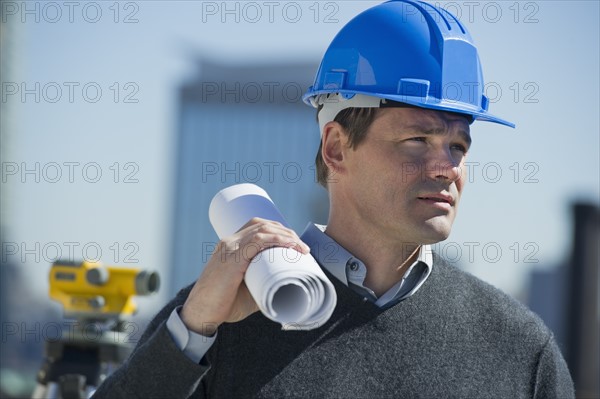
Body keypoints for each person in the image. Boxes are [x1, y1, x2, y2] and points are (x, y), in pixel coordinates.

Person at [93, 1, 574, 397]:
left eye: (458, 147)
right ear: (337, 148)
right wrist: (193, 329)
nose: (445, 168)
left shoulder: (518, 348)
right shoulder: (219, 315)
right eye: (417, 142)